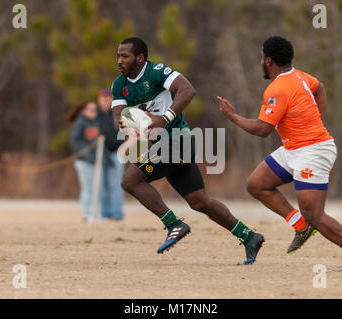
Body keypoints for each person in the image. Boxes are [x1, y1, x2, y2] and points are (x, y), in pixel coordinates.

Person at [217, 36, 342, 272]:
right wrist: (313, 118)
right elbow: (319, 86)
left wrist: (233, 116)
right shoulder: (300, 76)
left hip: (313, 151)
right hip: (294, 148)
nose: (260, 62)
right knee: (257, 184)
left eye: (261, 58)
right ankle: (300, 226)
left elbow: (262, 129)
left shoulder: (277, 88)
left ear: (268, 61)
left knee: (315, 215)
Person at [111, 37, 264, 264]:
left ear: (140, 58)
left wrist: (164, 118)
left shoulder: (156, 72)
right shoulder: (118, 85)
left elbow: (187, 90)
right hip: (165, 145)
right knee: (199, 201)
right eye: (118, 56)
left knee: (130, 181)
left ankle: (174, 224)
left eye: (124, 56)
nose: (119, 61)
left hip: (178, 141)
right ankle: (249, 236)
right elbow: (118, 119)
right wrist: (129, 124)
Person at [67, 101, 100, 222]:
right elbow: (76, 141)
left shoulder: (96, 122)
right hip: (84, 161)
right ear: (84, 111)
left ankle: (95, 213)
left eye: (95, 109)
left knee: (97, 188)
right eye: (91, 109)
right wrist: (89, 156)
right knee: (88, 188)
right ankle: (87, 214)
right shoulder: (80, 122)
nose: (94, 112)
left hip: (96, 160)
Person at [96, 88, 126, 220]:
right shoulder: (95, 115)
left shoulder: (117, 114)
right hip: (100, 155)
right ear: (99, 100)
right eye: (103, 98)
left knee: (116, 185)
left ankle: (117, 213)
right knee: (102, 185)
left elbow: (125, 133)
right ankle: (105, 213)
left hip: (115, 154)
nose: (105, 100)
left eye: (108, 98)